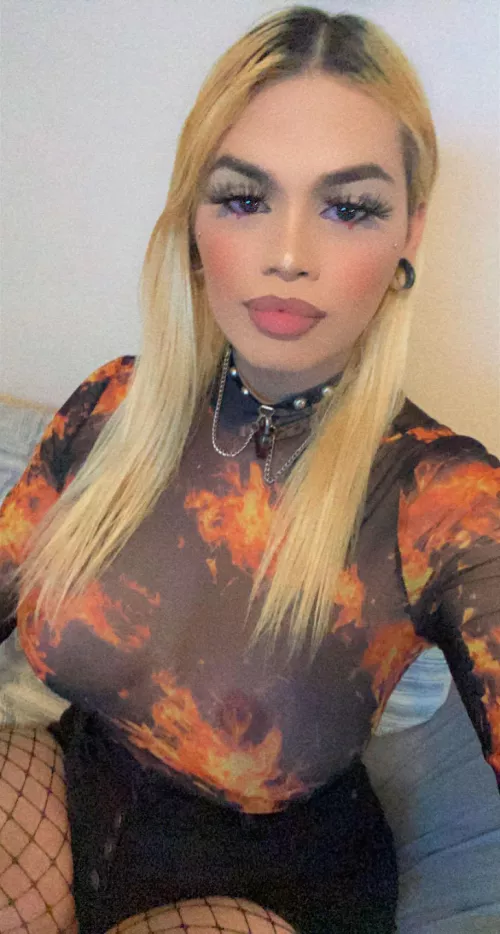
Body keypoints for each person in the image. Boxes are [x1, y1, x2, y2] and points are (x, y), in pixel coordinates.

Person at [0, 5, 499, 933]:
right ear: (192, 218)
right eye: (243, 198)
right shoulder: (113, 405)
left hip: (273, 881)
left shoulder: (443, 500)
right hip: (75, 788)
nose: (287, 256)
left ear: (410, 233)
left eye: (349, 207)